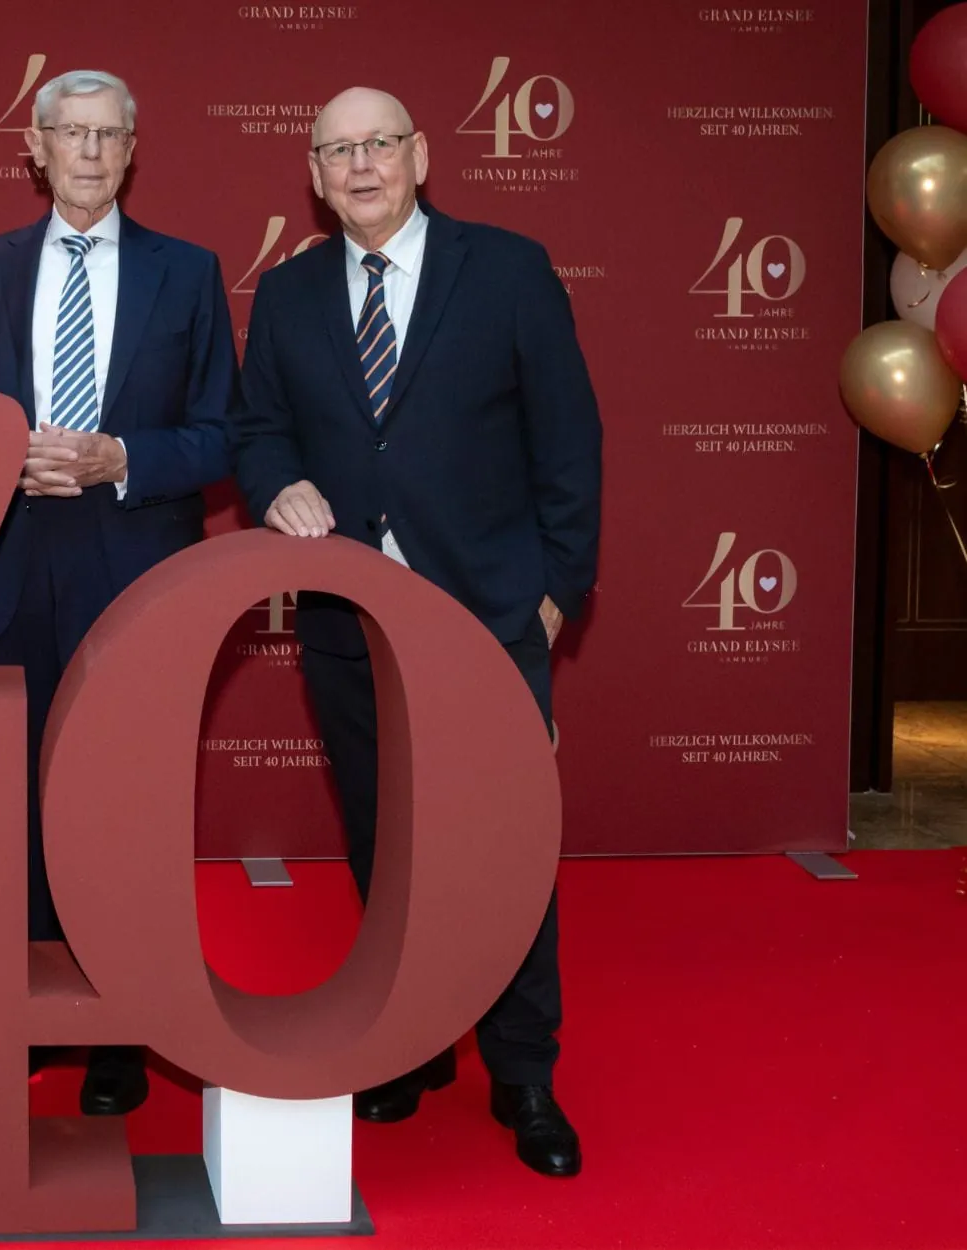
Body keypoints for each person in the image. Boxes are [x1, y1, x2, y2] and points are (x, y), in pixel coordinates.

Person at [235, 87, 601, 1178]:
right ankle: (412, 1039)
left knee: (503, 847)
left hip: (488, 614)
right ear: (313, 174)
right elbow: (258, 430)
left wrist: (552, 595)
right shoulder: (289, 293)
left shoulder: (509, 269)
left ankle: (523, 1068)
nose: (361, 166)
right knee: (383, 841)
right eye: (337, 150)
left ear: (420, 155)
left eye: (379, 145)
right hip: (348, 623)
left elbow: (569, 440)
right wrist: (278, 483)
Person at [0, 70, 237, 1116]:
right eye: (71, 133)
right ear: (36, 147)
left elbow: (220, 435)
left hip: (136, 572)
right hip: (8, 569)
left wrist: (119, 457)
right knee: (12, 806)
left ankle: (119, 1029)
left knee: (124, 805)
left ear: (133, 150)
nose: (90, 152)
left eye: (109, 135)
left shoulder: (188, 272)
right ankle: (27, 1013)